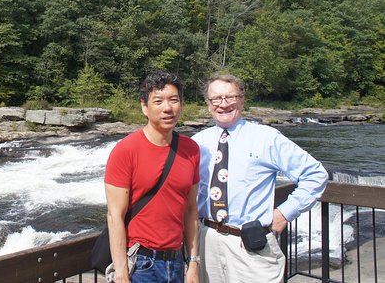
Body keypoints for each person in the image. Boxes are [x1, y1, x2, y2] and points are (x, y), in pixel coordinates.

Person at [192, 73, 328, 283]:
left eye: (230, 97)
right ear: (208, 104)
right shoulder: (197, 143)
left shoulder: (266, 137)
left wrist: (284, 213)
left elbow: (315, 174)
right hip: (207, 240)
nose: (223, 104)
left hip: (250, 246)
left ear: (242, 100)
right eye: (216, 99)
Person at [104, 70, 200, 283]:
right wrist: (121, 274)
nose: (167, 108)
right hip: (141, 264)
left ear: (181, 105)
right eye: (158, 101)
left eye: (174, 100)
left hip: (177, 262)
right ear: (144, 107)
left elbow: (191, 209)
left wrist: (193, 263)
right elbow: (115, 216)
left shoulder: (191, 149)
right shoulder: (125, 150)